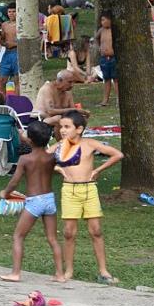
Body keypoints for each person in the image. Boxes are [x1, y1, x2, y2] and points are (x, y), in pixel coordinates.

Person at [55, 111, 122, 283]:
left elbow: (117, 154)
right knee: (69, 232)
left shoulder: (89, 143)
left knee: (96, 231)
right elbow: (45, 159)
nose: (62, 130)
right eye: (61, 127)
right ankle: (69, 270)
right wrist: (59, 169)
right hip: (69, 190)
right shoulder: (60, 146)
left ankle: (103, 271)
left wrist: (98, 170)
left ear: (79, 129)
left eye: (66, 127)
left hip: (89, 189)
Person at [0, 121, 65, 282]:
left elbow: (14, 181)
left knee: (18, 236)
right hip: (49, 199)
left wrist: (5, 193)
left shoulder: (25, 159)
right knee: (52, 238)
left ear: (30, 140)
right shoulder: (51, 157)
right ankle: (60, 274)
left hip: (34, 201)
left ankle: (15, 273)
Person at [95, 12, 117, 107]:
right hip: (104, 58)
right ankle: (105, 100)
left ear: (110, 20)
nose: (102, 22)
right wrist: (99, 47)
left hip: (113, 58)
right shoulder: (101, 30)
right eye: (101, 20)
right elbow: (96, 38)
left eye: (104, 20)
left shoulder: (114, 30)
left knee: (116, 79)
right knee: (106, 79)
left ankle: (119, 100)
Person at [0, 12, 20, 93]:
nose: (11, 14)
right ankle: (2, 103)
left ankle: (18, 103)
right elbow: (2, 40)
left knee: (17, 80)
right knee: (2, 80)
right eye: (9, 12)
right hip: (6, 53)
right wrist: (2, 42)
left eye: (14, 11)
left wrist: (13, 44)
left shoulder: (21, 24)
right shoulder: (4, 25)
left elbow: (26, 41)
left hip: (17, 53)